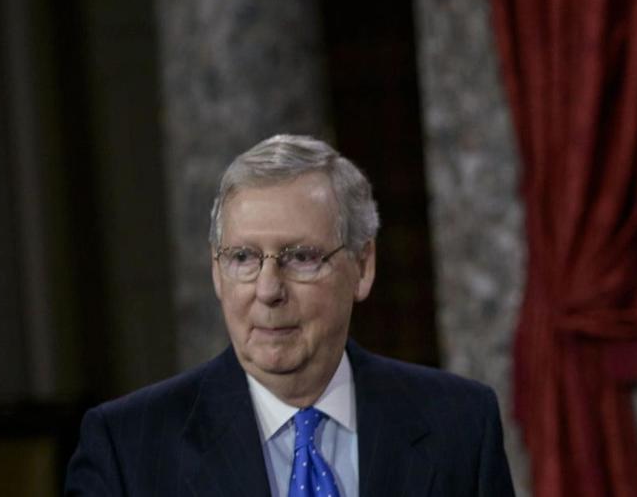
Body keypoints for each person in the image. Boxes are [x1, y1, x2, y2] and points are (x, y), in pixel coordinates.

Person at [66, 134, 515, 496]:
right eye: (243, 257)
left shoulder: (460, 424)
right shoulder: (126, 449)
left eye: (301, 257)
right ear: (217, 273)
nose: (268, 290)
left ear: (362, 266)